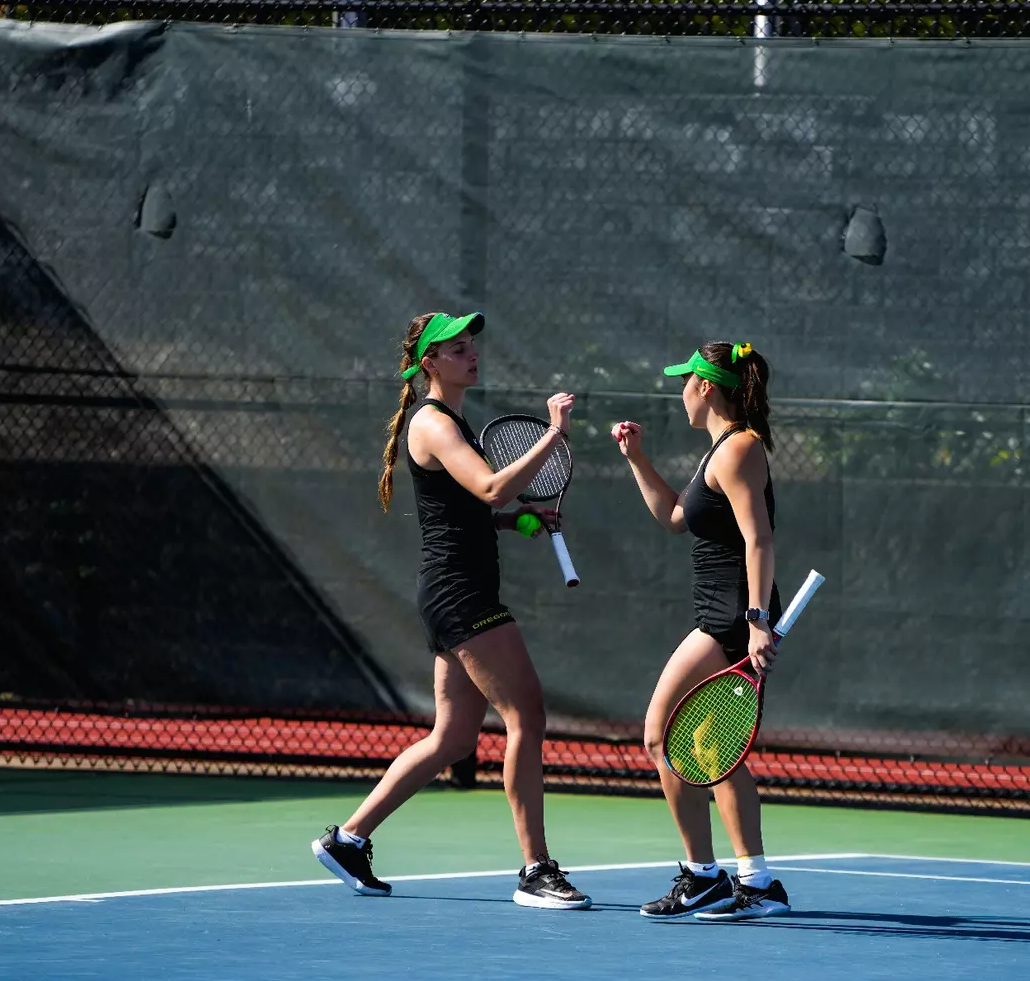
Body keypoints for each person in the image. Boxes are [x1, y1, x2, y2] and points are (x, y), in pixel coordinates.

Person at [311, 311, 590, 910]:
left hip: (452, 593)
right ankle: (536, 870)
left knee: (454, 736)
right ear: (429, 363)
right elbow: (491, 486)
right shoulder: (435, 423)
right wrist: (552, 433)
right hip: (461, 597)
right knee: (527, 718)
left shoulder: (450, 422)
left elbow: (470, 509)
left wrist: (519, 519)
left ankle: (349, 839)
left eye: (472, 346)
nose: (472, 354)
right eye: (457, 349)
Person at [611, 341, 791, 921]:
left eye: (684, 380)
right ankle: (753, 881)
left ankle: (704, 876)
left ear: (706, 387)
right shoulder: (718, 451)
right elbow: (672, 518)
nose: (680, 390)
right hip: (723, 612)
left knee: (661, 736)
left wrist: (758, 620)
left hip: (733, 615)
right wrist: (638, 458)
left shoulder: (739, 450)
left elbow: (759, 539)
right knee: (714, 752)